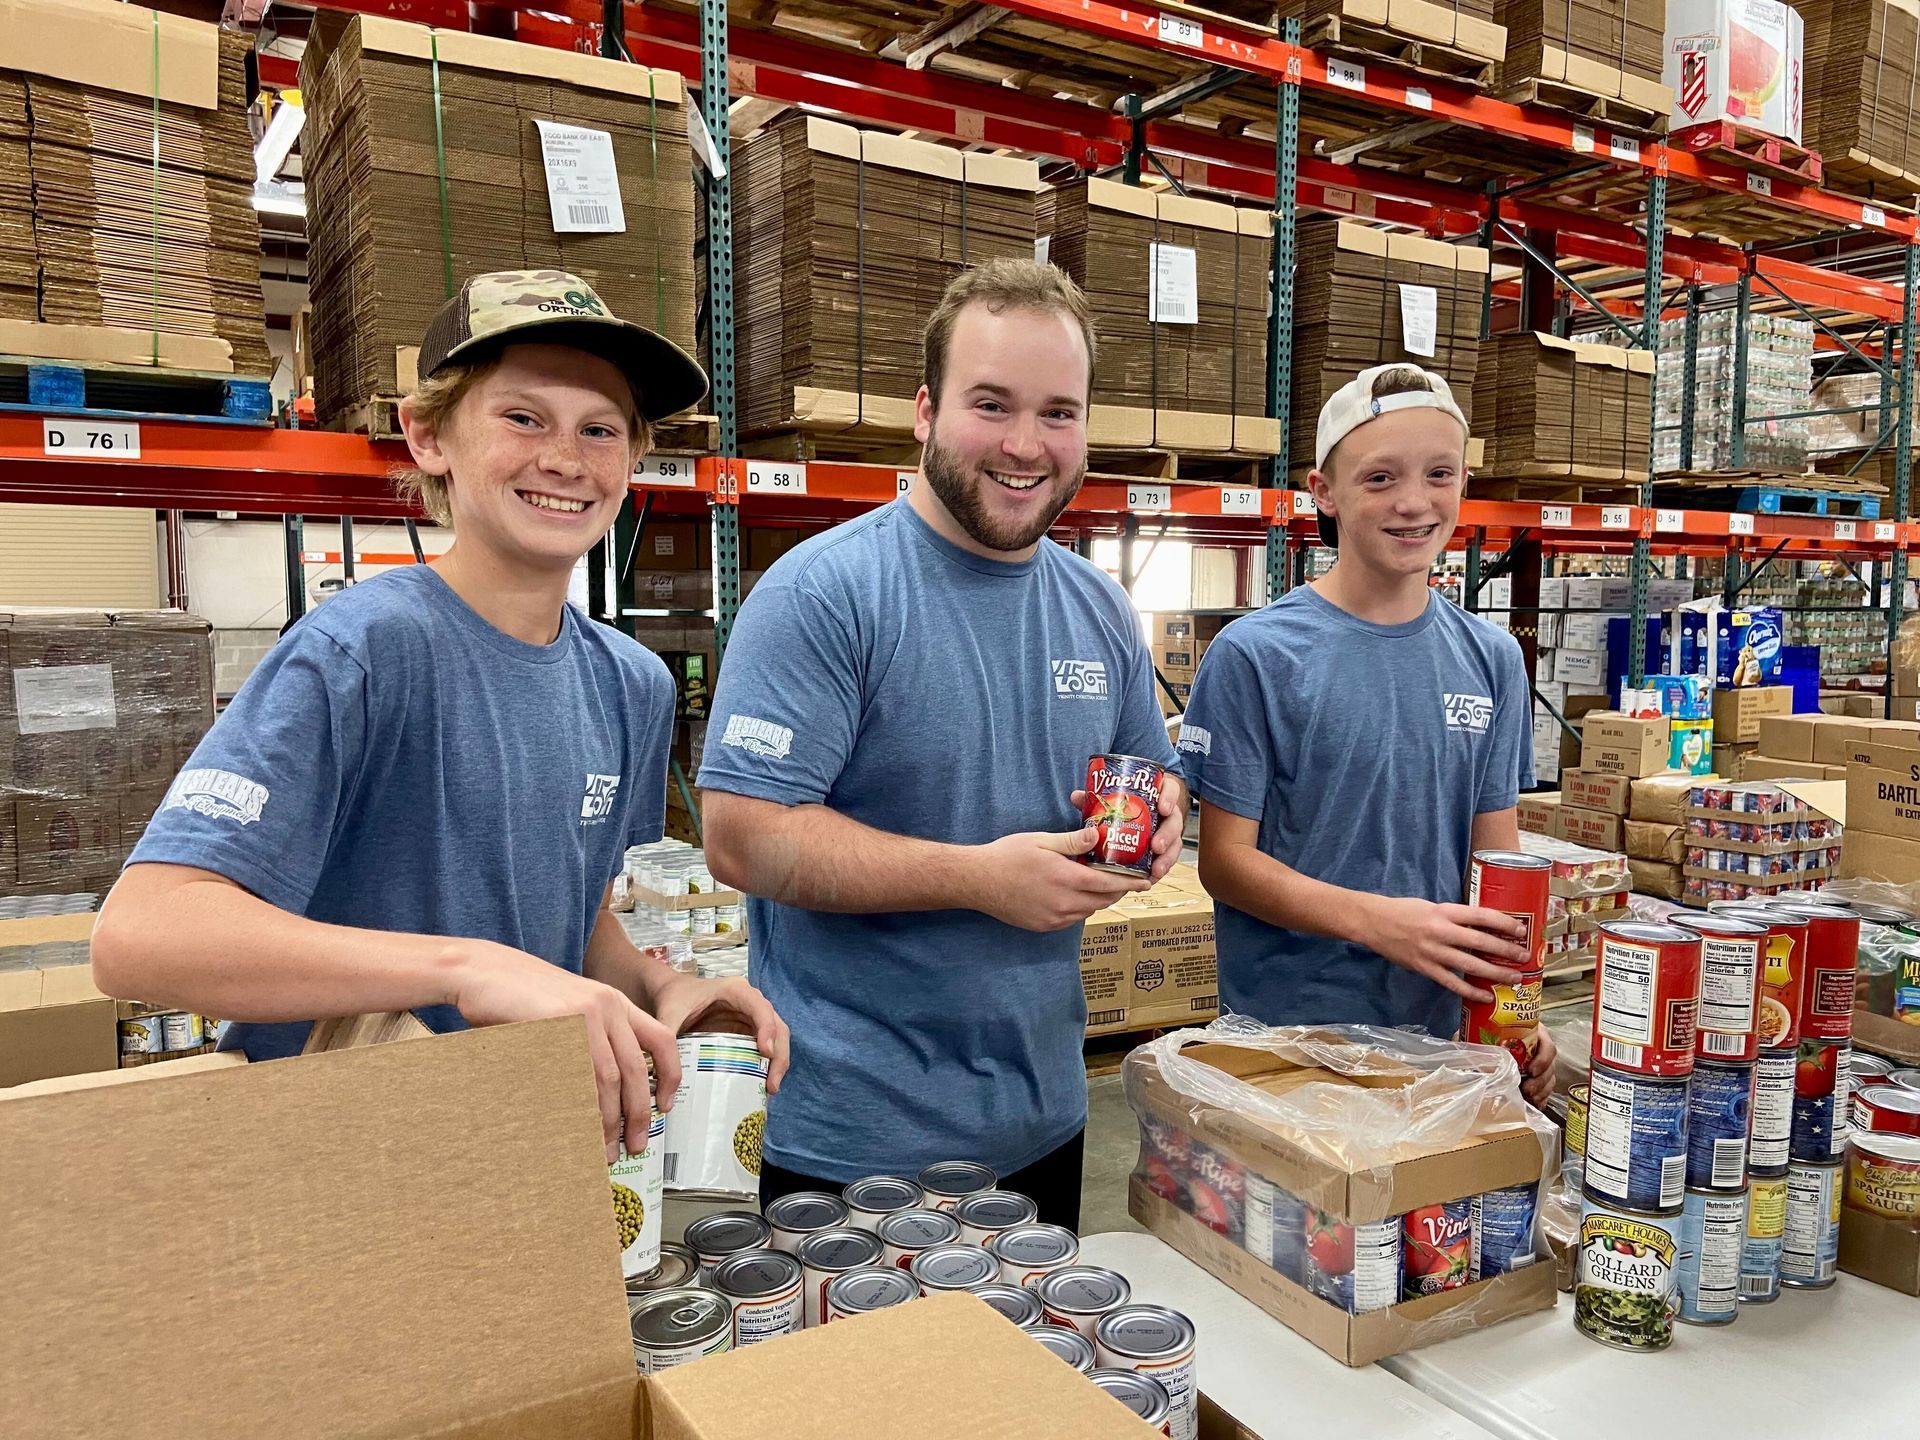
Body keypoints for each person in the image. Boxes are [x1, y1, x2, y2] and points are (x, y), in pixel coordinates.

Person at [92, 270, 789, 1161]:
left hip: (525, 1137)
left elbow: (566, 918)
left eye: (600, 430)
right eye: (523, 418)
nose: (565, 459)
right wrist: (466, 970)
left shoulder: (630, 684)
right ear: (427, 437)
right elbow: (143, 934)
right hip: (338, 1149)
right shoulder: (364, 652)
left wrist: (659, 988)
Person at [697, 259, 1186, 1228]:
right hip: (854, 1143)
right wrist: (976, 877)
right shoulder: (825, 594)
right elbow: (741, 835)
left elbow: (1147, 770)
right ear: (925, 412)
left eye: (1058, 412)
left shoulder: (1097, 608)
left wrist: (1165, 814)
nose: (1025, 444)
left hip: (1042, 1118)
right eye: (991, 405)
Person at [1178, 363, 1557, 1105]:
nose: (1414, 503)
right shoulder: (1257, 655)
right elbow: (1224, 864)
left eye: (1439, 474)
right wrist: (1383, 924)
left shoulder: (1491, 659)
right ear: (1323, 492)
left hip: (1442, 1046)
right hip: (1292, 1051)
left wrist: (1513, 1013)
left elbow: (1498, 869)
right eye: (1379, 478)